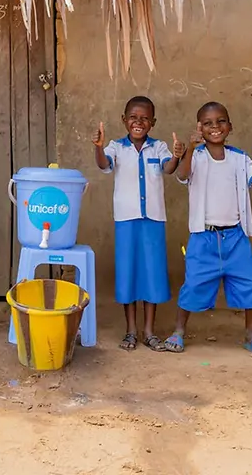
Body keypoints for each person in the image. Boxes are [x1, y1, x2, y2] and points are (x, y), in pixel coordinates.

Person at [163, 101, 252, 355]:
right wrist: (190, 148)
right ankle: (178, 331)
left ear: (230, 126)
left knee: (249, 285)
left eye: (220, 121)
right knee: (193, 284)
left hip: (235, 236)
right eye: (207, 123)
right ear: (199, 128)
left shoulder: (240, 158)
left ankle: (251, 335)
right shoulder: (195, 156)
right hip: (204, 236)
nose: (215, 127)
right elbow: (183, 175)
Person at [93, 96, 184, 351]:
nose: (138, 122)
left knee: (152, 273)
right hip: (126, 220)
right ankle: (131, 330)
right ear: (124, 120)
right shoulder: (115, 147)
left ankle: (149, 331)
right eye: (133, 117)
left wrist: (177, 156)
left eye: (145, 118)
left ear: (152, 122)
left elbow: (168, 168)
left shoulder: (160, 147)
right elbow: (103, 164)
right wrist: (98, 147)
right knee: (128, 273)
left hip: (153, 219)